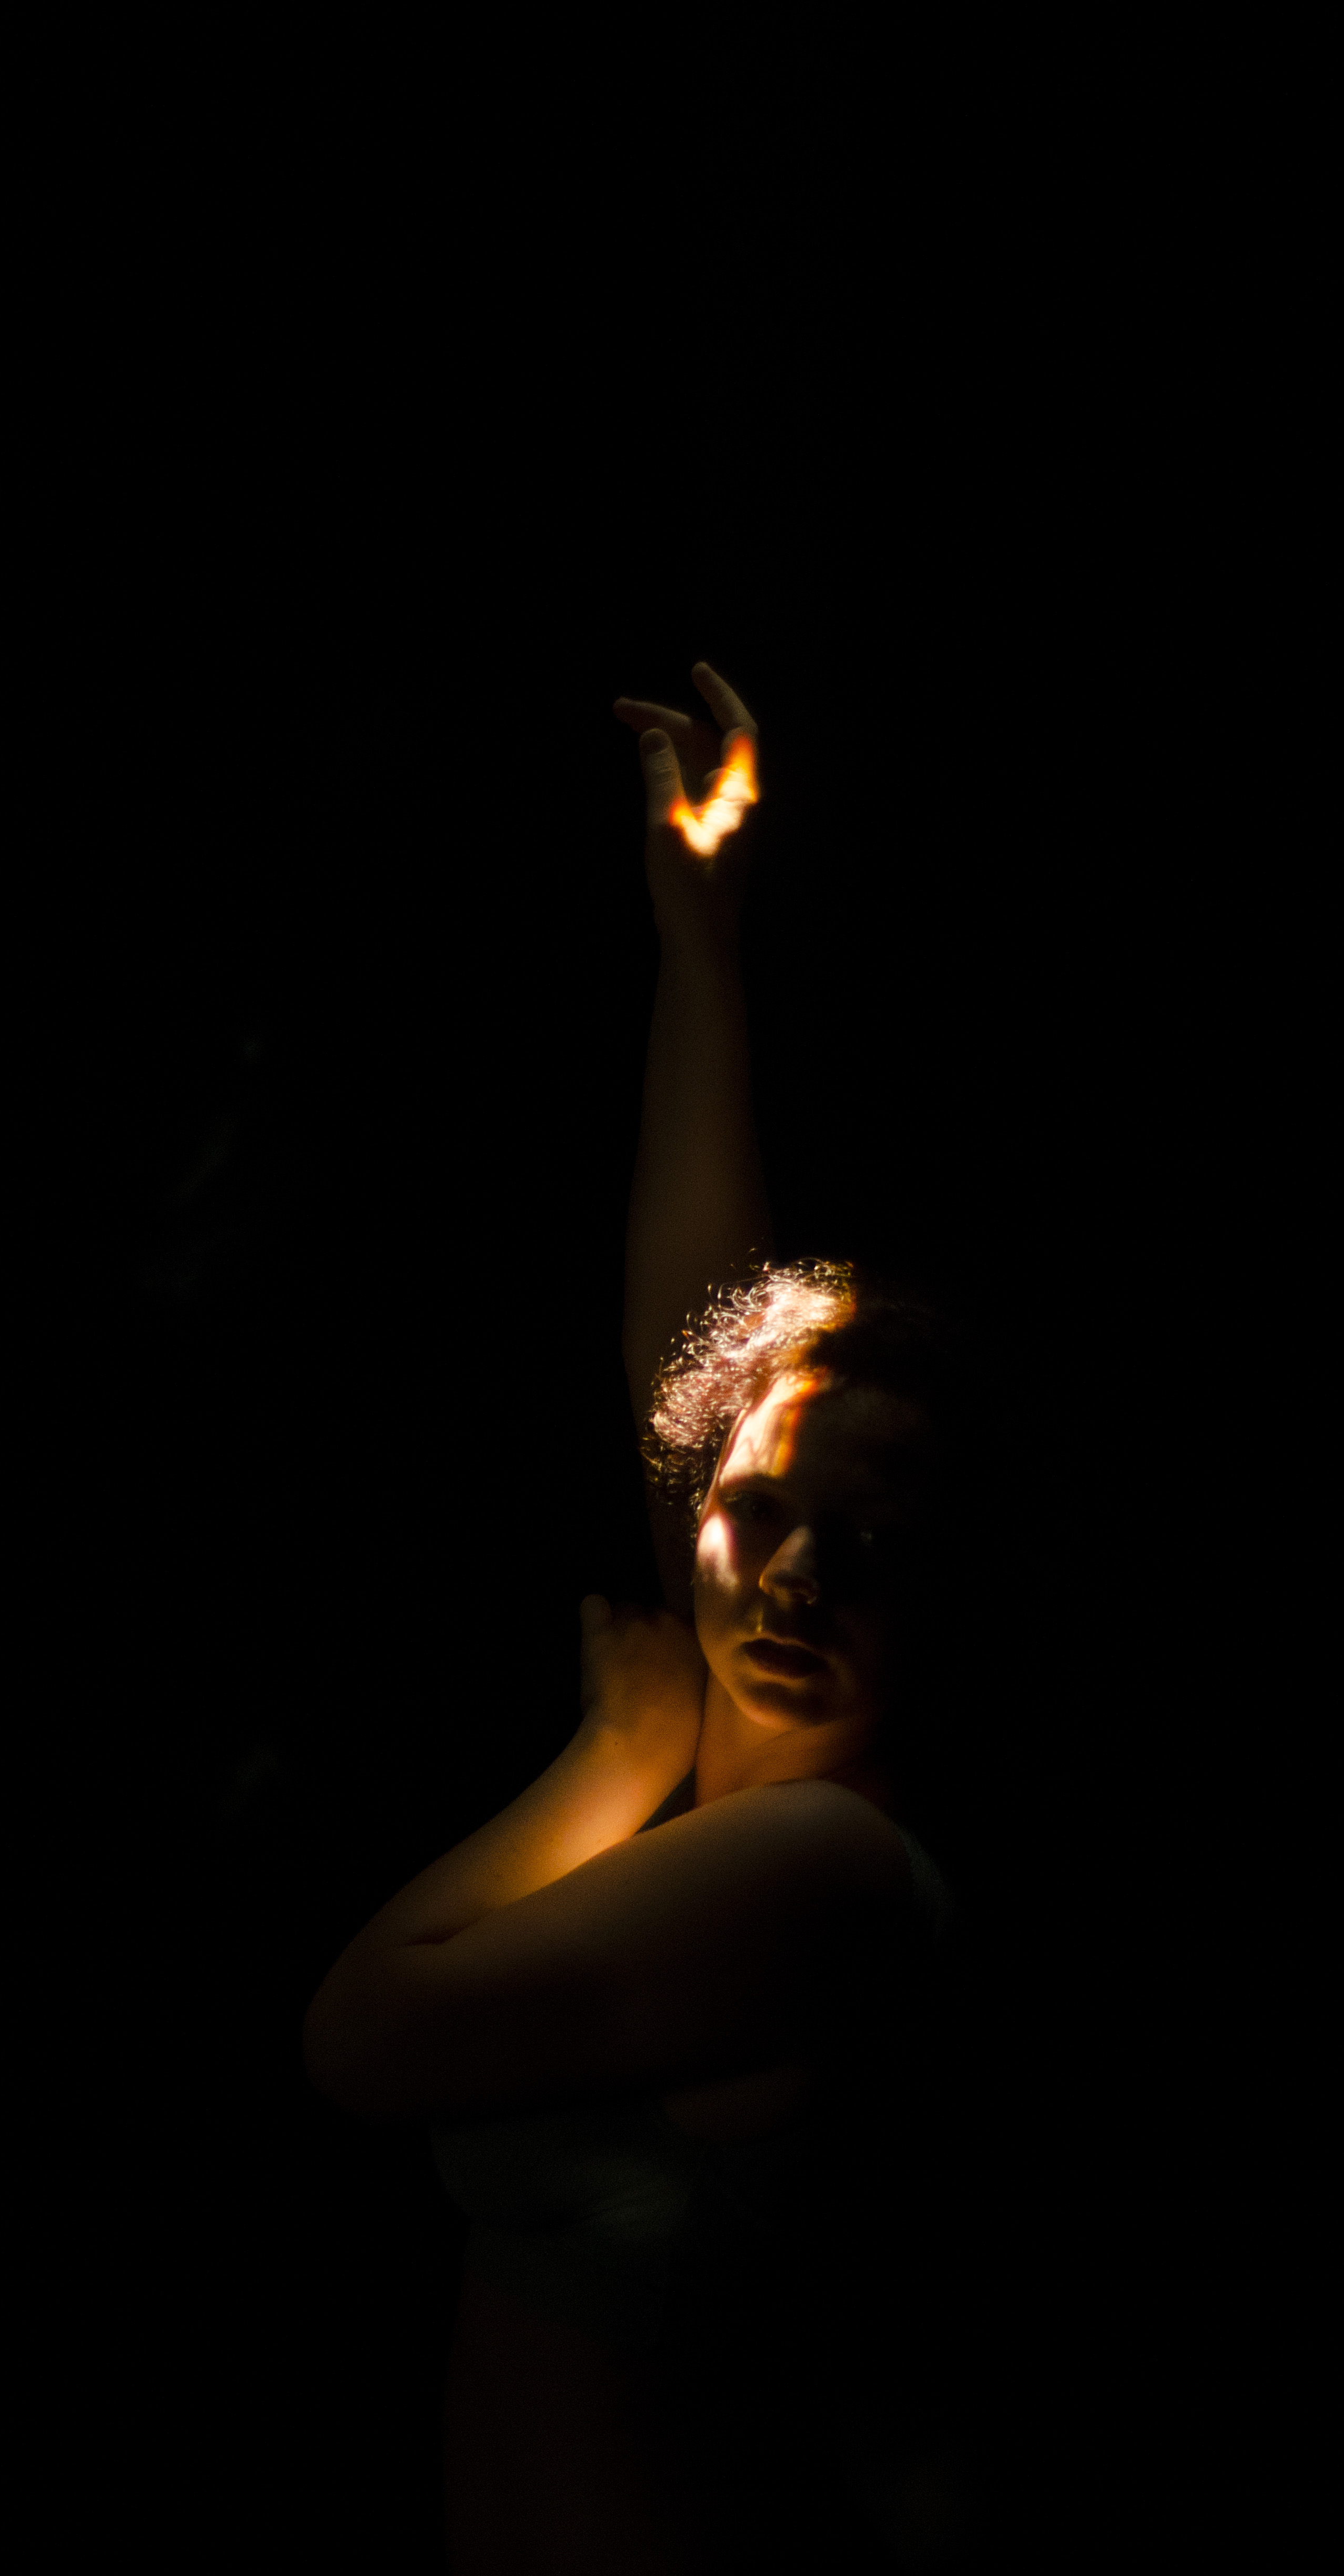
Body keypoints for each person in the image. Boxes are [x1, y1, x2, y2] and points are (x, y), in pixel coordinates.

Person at [302, 665, 1011, 2572]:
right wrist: (699, 934)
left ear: (954, 1586)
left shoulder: (818, 1862)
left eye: (875, 1542)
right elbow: (692, 1336)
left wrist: (606, 1760)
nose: (796, 1572)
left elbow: (359, 2042)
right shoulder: (743, 1728)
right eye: (762, 1509)